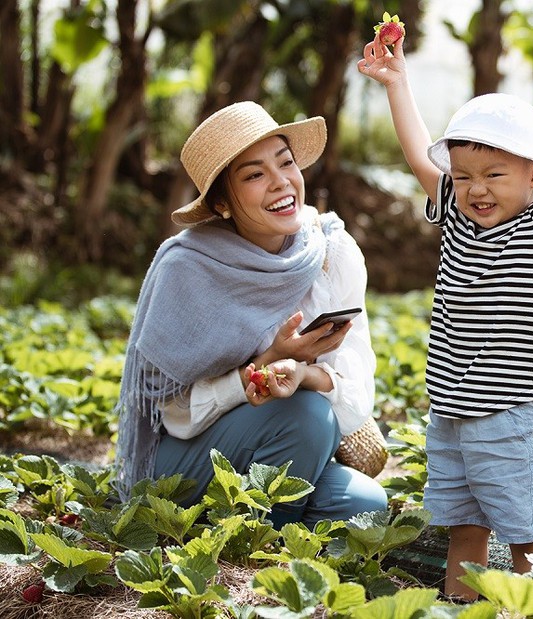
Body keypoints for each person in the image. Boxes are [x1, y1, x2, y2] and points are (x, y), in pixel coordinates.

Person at [357, 20, 533, 599]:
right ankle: (460, 604)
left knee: (527, 534)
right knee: (464, 527)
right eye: (464, 175)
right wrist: (396, 83)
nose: (476, 189)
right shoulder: (452, 211)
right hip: (450, 410)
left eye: (494, 175)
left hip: (515, 415)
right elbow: (417, 155)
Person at [114, 101, 388, 528]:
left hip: (284, 443)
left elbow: (354, 406)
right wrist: (260, 369)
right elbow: (173, 413)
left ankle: (241, 518)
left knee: (364, 505)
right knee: (308, 418)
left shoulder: (330, 252)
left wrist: (305, 373)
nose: (281, 183)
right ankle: (257, 541)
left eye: (286, 163)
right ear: (223, 202)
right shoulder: (187, 267)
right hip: (186, 455)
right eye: (255, 175)